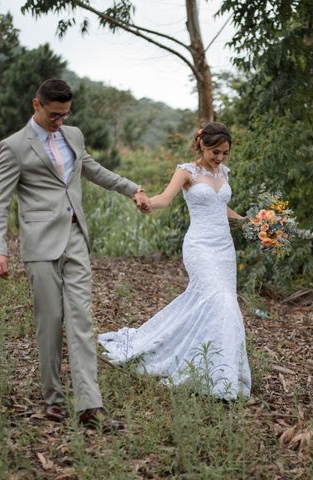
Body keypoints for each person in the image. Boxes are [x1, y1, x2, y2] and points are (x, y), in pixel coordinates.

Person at [0, 79, 150, 430]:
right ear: (36, 105)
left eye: (65, 115)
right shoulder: (13, 147)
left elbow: (93, 170)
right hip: (40, 244)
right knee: (50, 322)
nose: (59, 121)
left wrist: (131, 188)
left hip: (75, 237)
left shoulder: (72, 135)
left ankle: (90, 406)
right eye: (54, 115)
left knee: (82, 320)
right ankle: (54, 400)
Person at [98, 122, 251, 400]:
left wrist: (250, 223)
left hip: (224, 249)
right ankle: (208, 372)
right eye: (215, 152)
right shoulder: (187, 171)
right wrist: (146, 203)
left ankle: (220, 372)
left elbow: (220, 205)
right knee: (221, 300)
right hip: (200, 246)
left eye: (225, 153)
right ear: (201, 144)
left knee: (220, 304)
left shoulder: (223, 172)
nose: (219, 159)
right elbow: (165, 199)